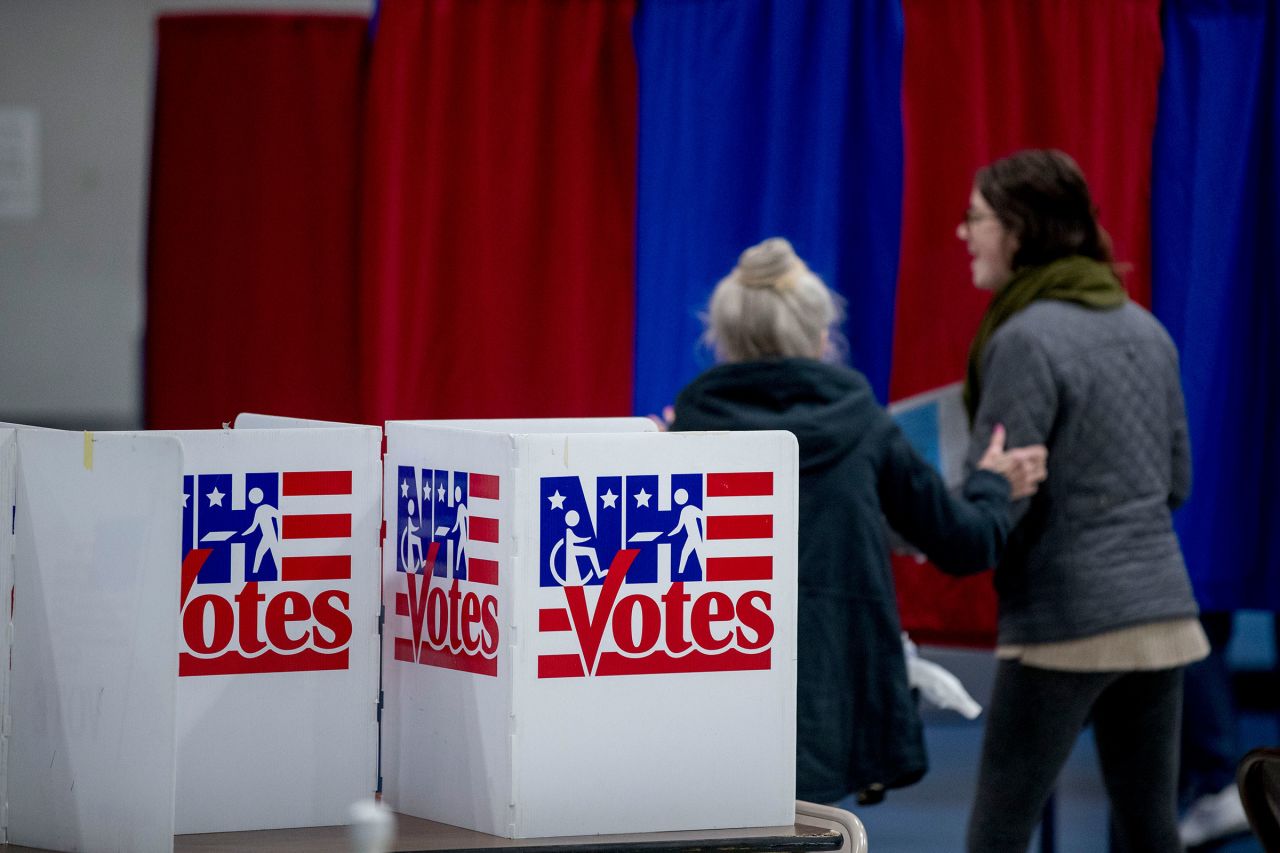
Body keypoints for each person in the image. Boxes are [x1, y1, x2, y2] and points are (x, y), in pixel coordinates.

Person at [668, 236, 1048, 806]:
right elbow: (965, 542)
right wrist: (994, 484)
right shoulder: (861, 424)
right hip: (838, 703)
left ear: (722, 337)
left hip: (715, 693)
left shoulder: (688, 428)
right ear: (820, 336)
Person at [955, 149, 1209, 852]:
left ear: (1019, 230)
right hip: (1162, 614)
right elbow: (1178, 482)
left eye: (975, 219)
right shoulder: (1146, 328)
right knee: (1151, 830)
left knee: (997, 834)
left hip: (1064, 619)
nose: (962, 233)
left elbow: (1002, 504)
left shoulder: (1023, 340)